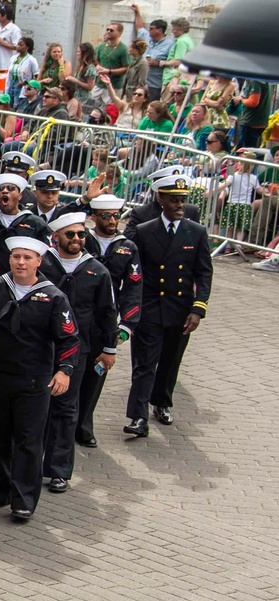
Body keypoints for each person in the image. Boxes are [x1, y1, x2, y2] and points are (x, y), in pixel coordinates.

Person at [0, 238, 79, 520]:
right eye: (16, 257)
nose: (20, 262)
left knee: (28, 441)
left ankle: (23, 499)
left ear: (38, 262)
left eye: (27, 258)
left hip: (33, 381)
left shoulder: (54, 297)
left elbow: (69, 339)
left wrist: (64, 370)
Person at [122, 177, 209, 437]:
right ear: (160, 200)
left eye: (183, 199)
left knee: (170, 361)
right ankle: (137, 416)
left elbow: (204, 273)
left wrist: (198, 308)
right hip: (150, 306)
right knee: (144, 365)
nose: (179, 205)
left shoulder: (196, 231)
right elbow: (134, 270)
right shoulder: (146, 230)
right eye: (174, 199)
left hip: (180, 308)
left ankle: (161, 402)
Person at [39, 213, 117, 494]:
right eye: (70, 234)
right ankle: (32, 464)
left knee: (66, 409)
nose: (76, 239)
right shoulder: (42, 263)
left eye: (81, 235)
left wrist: (109, 348)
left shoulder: (97, 270)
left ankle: (59, 470)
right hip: (41, 348)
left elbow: (108, 313)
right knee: (37, 408)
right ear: (56, 236)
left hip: (76, 351)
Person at [78, 193, 141, 446]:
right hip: (79, 315)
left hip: (105, 321)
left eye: (116, 215)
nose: (113, 220)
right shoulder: (81, 240)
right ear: (94, 217)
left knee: (96, 372)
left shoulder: (127, 247)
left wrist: (126, 325)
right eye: (106, 216)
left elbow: (134, 288)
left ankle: (83, 424)